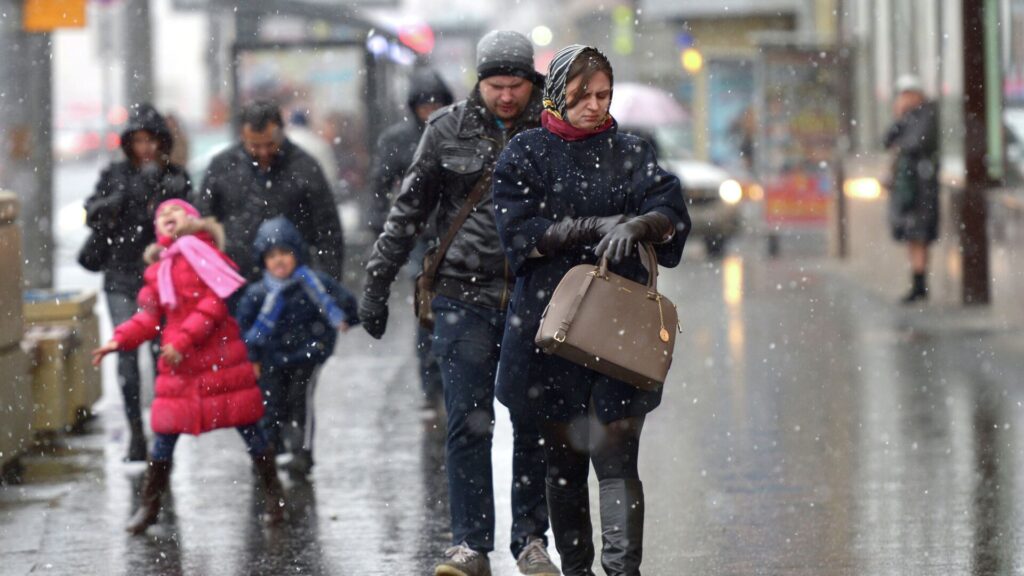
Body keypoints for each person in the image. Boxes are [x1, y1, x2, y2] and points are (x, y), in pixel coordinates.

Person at [359, 30, 559, 576]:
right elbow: (406, 213)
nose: (506, 96)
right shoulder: (446, 128)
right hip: (462, 295)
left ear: (531, 79)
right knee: (469, 421)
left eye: (515, 84)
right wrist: (376, 285)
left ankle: (530, 541)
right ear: (479, 80)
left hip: (533, 294)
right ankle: (471, 545)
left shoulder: (553, 126)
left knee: (532, 419)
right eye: (495, 85)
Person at [492, 45, 690, 575]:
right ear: (559, 93)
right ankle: (577, 568)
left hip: (618, 327)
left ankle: (624, 570)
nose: (595, 105)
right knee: (564, 460)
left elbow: (671, 207)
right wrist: (592, 227)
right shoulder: (526, 152)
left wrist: (642, 225)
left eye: (604, 95)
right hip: (548, 328)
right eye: (583, 95)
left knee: (619, 453)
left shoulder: (631, 149)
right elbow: (519, 234)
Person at [91, 199, 284, 534]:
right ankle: (150, 506)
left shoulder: (205, 252)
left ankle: (273, 496)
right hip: (179, 366)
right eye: (162, 215)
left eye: (175, 211)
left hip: (219, 360)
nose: (168, 216)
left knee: (250, 428)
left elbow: (214, 302)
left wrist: (183, 339)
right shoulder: (160, 267)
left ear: (193, 220)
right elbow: (150, 316)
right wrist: (119, 340)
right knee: (164, 435)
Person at [83, 103, 191, 462]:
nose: (145, 148)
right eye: (138, 140)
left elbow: (190, 223)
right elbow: (91, 211)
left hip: (163, 282)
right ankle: (135, 434)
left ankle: (163, 431)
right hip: (120, 278)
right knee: (126, 359)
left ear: (162, 142)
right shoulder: (114, 174)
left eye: (151, 140)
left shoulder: (175, 177)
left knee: (164, 356)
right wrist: (118, 200)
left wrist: (163, 199)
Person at [235, 216, 359, 480]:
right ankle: (266, 455)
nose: (279, 261)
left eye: (285, 253)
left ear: (297, 254)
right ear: (263, 261)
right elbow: (245, 329)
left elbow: (347, 304)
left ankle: (302, 454)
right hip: (271, 360)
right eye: (271, 256)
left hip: (307, 356)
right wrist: (253, 357)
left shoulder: (315, 284)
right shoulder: (258, 294)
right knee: (270, 405)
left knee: (300, 402)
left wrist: (346, 319)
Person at [366, 66, 454, 414]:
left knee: (452, 311)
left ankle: (448, 382)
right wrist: (381, 229)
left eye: (435, 102)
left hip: (455, 236)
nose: (429, 109)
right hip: (418, 237)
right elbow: (378, 185)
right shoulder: (397, 140)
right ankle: (431, 384)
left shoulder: (457, 133)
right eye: (423, 103)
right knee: (427, 310)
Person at [192, 100, 345, 284]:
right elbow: (204, 220)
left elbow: (328, 230)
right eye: (255, 146)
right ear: (243, 136)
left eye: (270, 144)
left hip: (295, 285)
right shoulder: (222, 166)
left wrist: (327, 284)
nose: (263, 152)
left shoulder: (304, 167)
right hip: (236, 281)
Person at [883, 74, 940, 304]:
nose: (904, 99)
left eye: (908, 94)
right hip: (908, 186)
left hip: (922, 187)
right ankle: (918, 282)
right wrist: (899, 118)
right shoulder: (907, 117)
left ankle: (920, 284)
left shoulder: (928, 114)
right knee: (911, 234)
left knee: (919, 234)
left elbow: (916, 143)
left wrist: (902, 137)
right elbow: (887, 140)